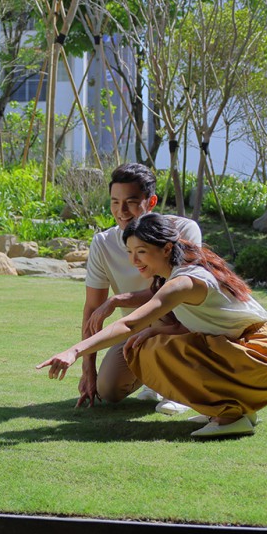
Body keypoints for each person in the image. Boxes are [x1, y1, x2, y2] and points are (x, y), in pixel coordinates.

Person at [37, 213, 267, 439]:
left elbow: (130, 324)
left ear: (167, 248)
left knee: (150, 349)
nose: (134, 260)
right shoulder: (181, 270)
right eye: (129, 252)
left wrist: (74, 351)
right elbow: (205, 323)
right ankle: (235, 408)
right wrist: (157, 328)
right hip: (255, 356)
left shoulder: (184, 281)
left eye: (141, 251)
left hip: (260, 357)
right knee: (152, 340)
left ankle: (230, 417)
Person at [77, 163, 202, 413]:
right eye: (115, 202)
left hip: (182, 323)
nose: (121, 211)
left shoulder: (183, 230)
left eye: (131, 202)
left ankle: (179, 389)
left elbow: (177, 291)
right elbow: (92, 307)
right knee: (108, 390)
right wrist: (88, 368)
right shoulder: (103, 243)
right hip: (135, 329)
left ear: (151, 202)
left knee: (166, 315)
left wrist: (118, 300)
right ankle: (153, 379)